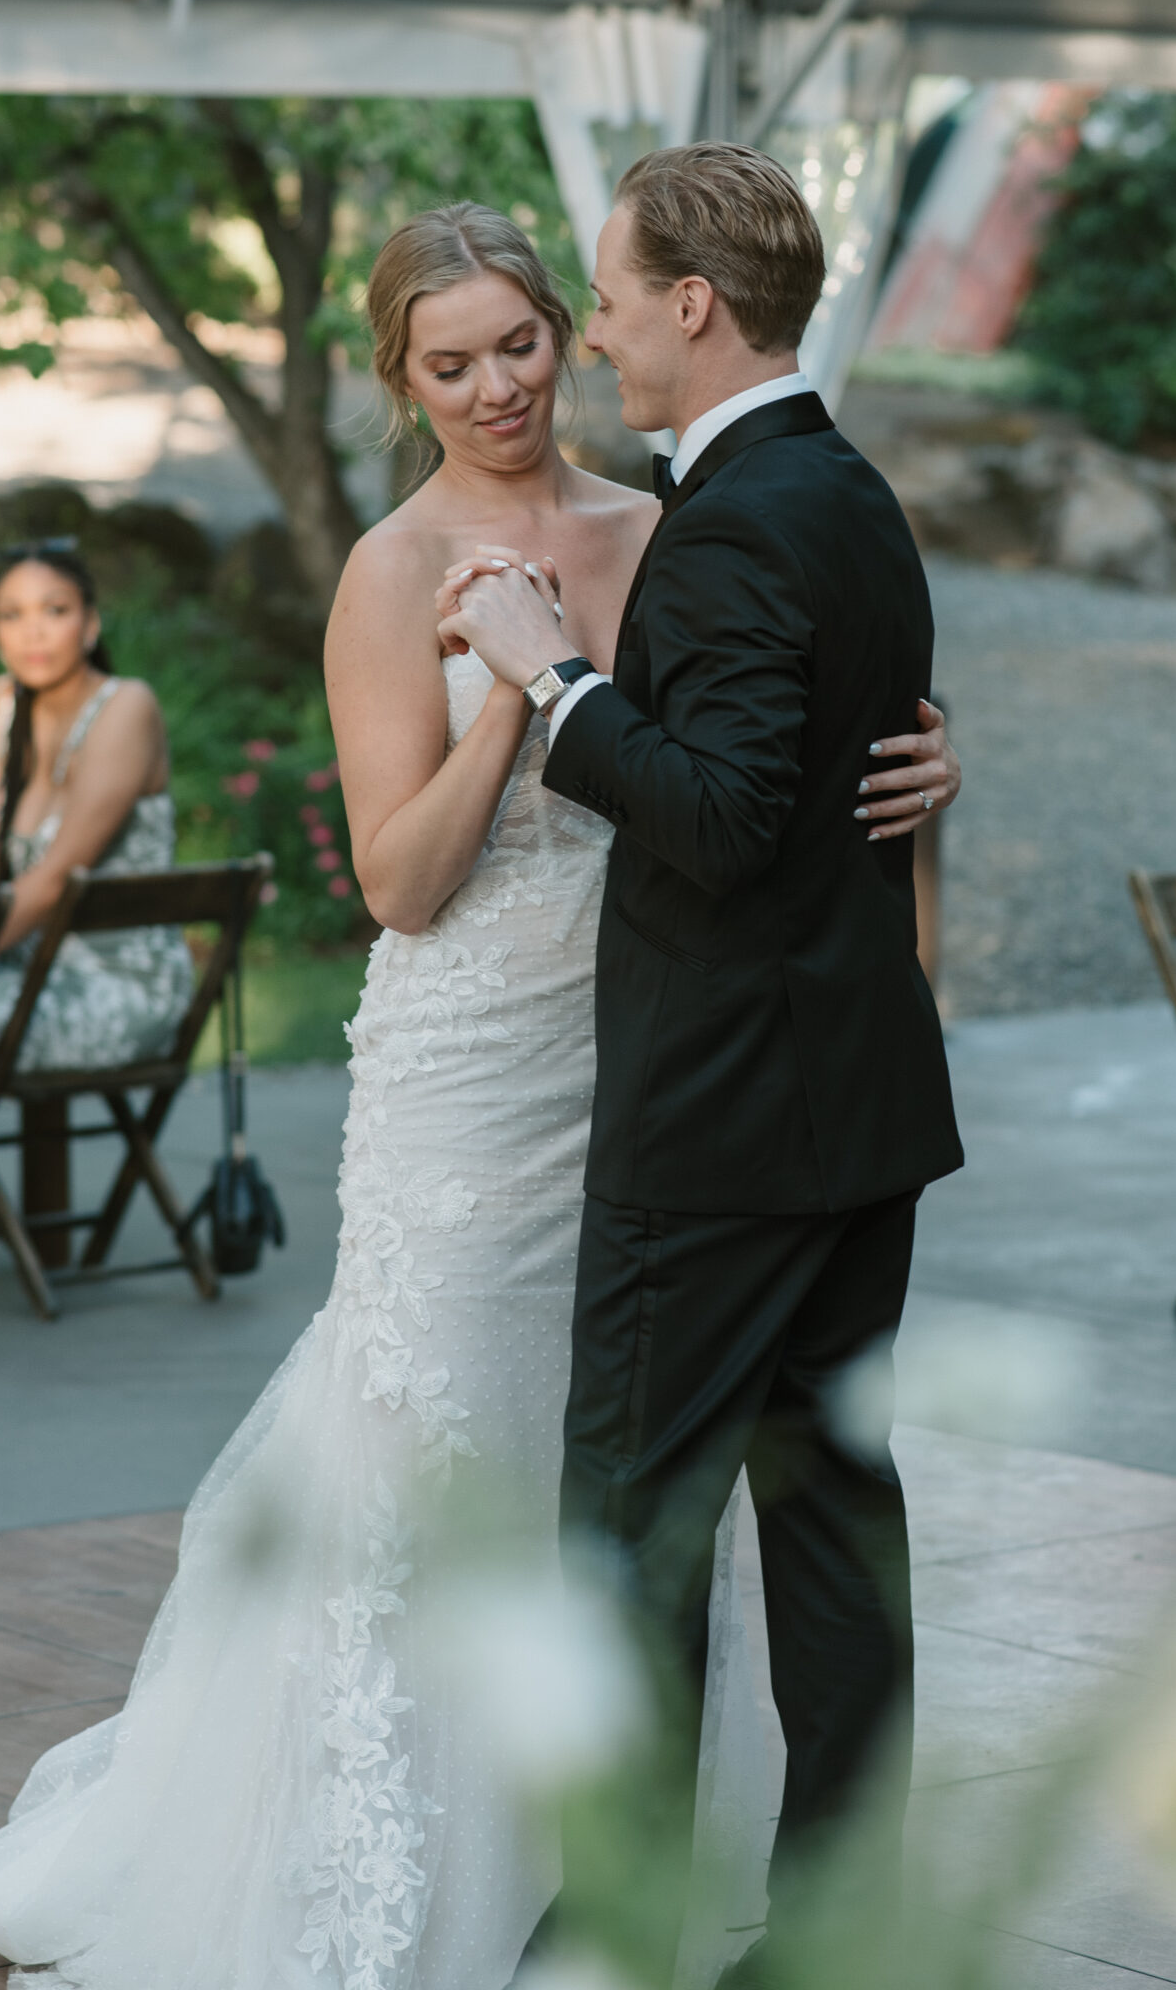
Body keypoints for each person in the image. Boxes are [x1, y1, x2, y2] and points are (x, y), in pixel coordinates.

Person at [0, 204, 958, 1990]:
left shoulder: (673, 525)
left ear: (576, 331)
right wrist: (506, 689)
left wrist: (926, 760)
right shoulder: (394, 568)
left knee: (652, 1489)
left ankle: (629, 1902)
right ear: (397, 383)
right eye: (449, 362)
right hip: (478, 1073)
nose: (495, 388)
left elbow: (755, 770)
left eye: (520, 344)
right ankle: (395, 1873)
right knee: (454, 1454)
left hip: (667, 1062)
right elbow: (398, 885)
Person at [443, 145, 962, 1986]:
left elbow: (731, 817)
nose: (583, 335)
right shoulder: (847, 491)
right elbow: (841, 741)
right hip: (849, 1112)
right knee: (830, 1539)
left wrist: (551, 679)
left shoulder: (739, 514)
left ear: (688, 302)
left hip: (720, 1126)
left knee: (633, 1536)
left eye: (599, 296)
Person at [0, 541, 192, 1241]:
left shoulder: (126, 708)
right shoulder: (0, 705)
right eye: (12, 614)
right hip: (25, 965)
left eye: (53, 611)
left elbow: (54, 877)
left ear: (90, 624)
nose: (31, 631)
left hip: (118, 983)